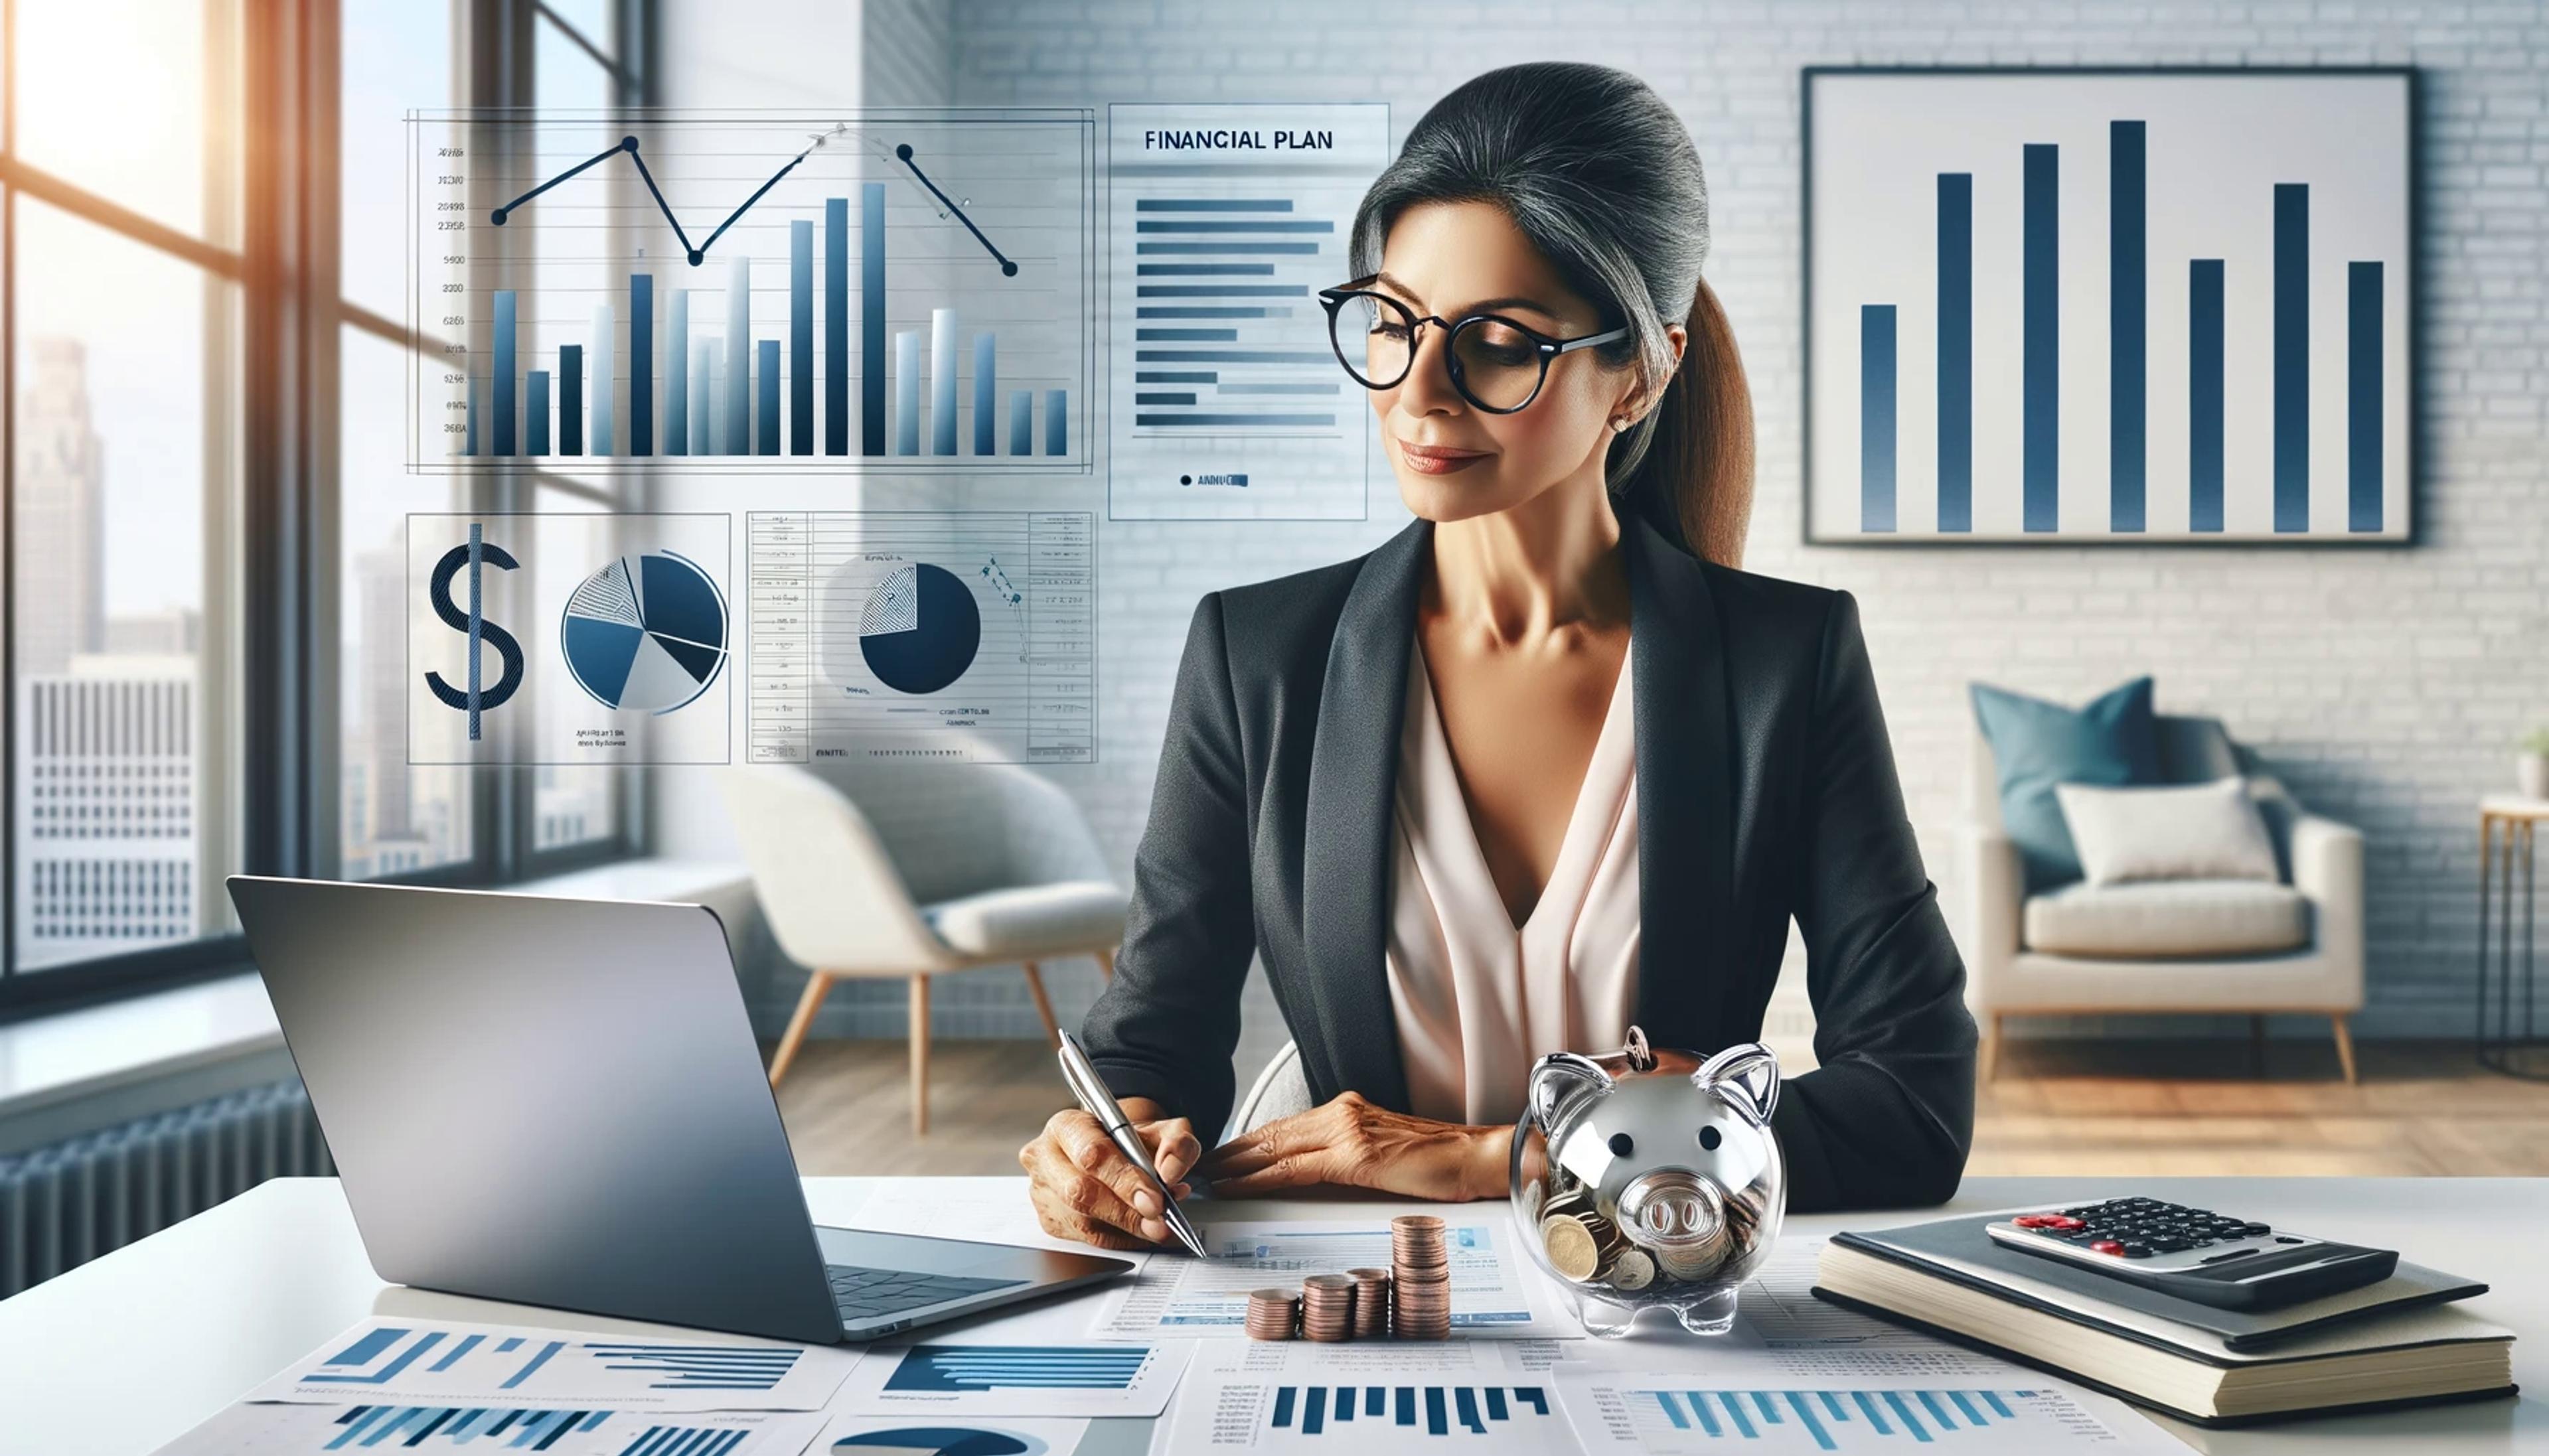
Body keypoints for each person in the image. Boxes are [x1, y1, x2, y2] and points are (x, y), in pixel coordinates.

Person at [1020, 61, 1976, 1251]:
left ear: (1640, 370)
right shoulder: (1256, 658)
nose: (1419, 393)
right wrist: (1110, 1143)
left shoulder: (1788, 663)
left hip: (1668, 1299)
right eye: (1393, 323)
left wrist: (1498, 1158)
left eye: (1498, 344)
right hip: (1369, 1304)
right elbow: (1149, 1048)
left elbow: (1912, 1107)